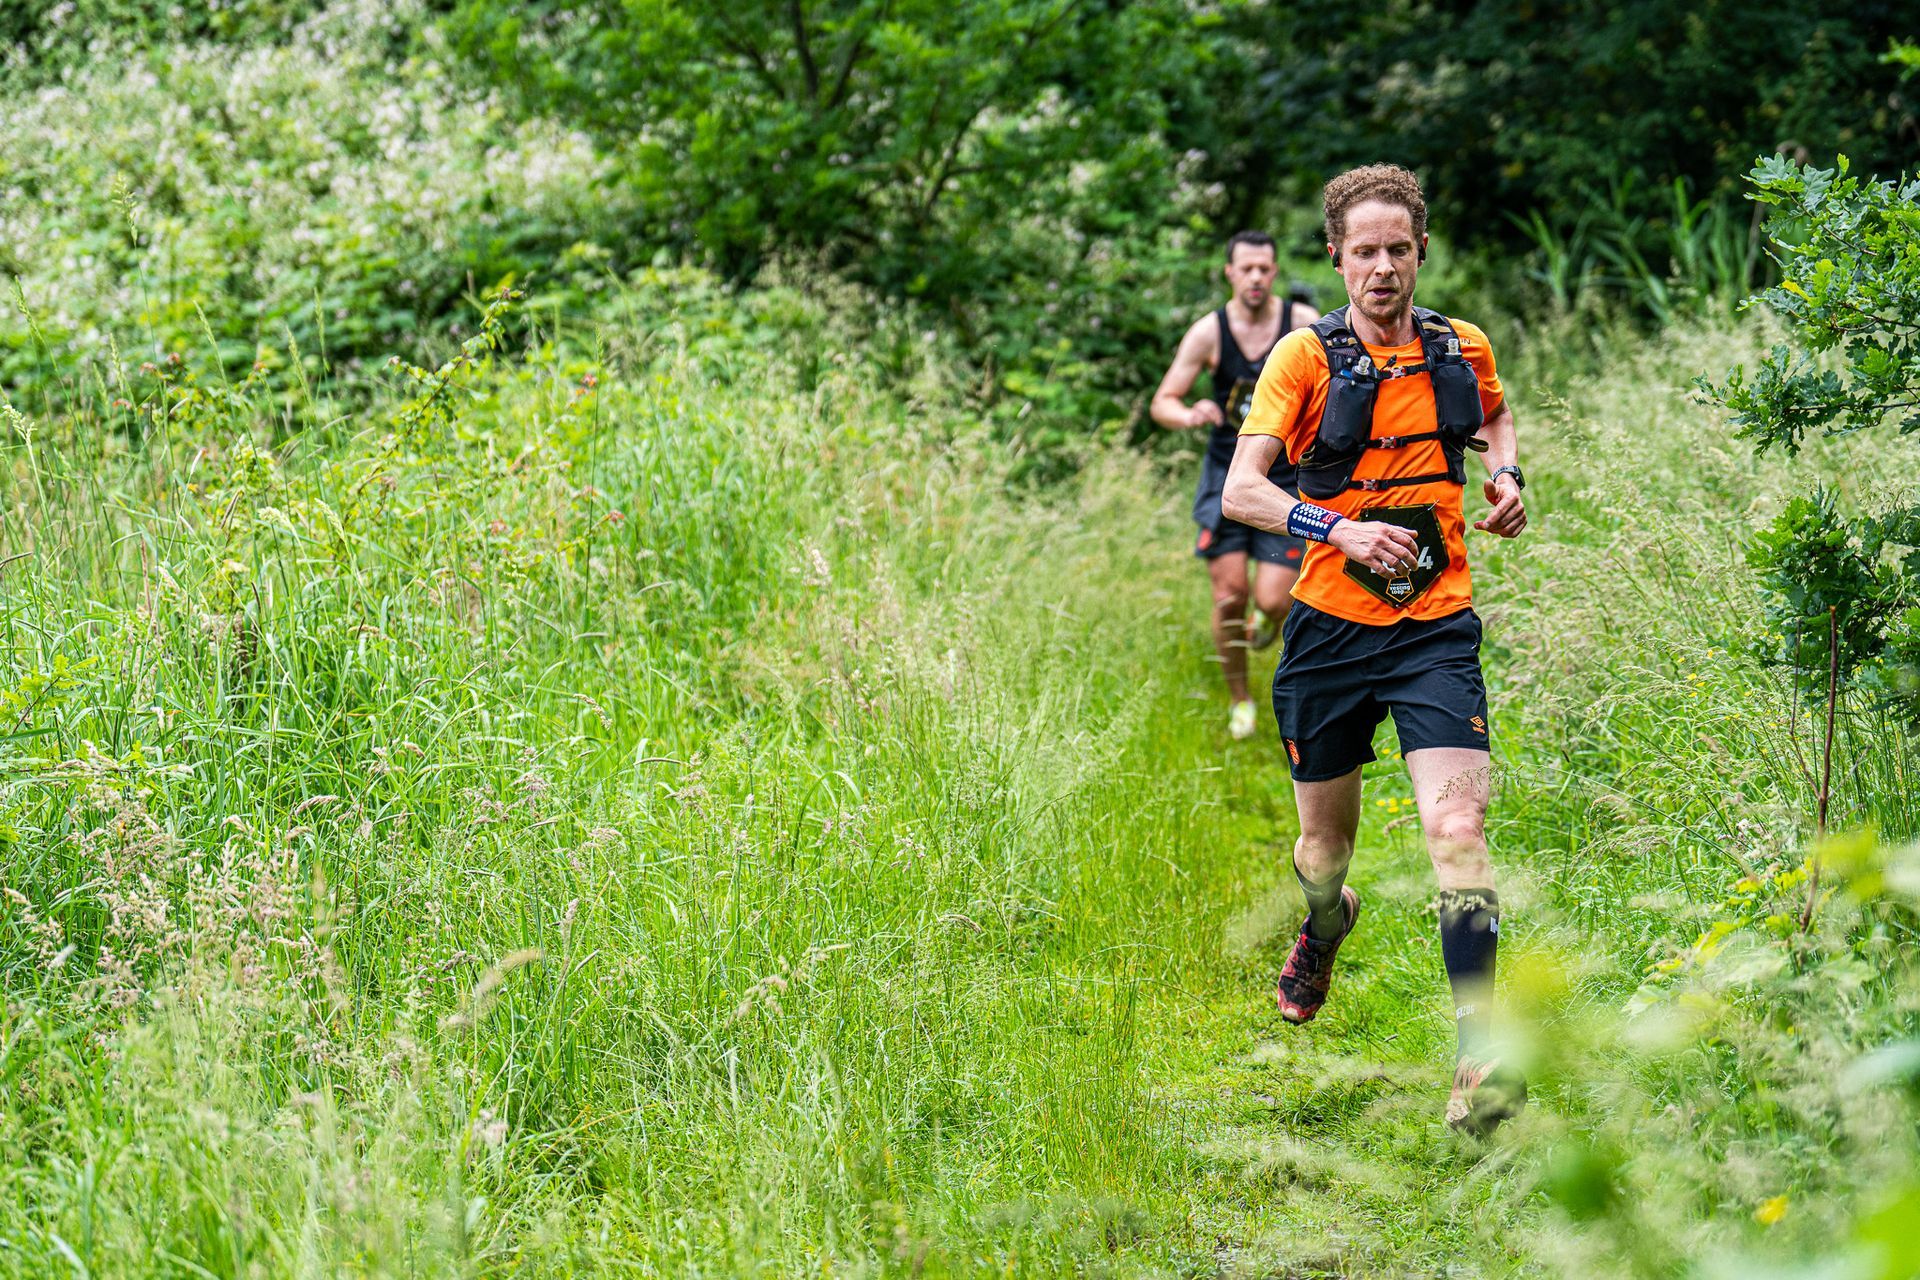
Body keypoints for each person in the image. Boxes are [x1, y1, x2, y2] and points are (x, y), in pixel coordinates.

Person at [1221, 164, 1529, 1135]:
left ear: (1421, 251)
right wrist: (1338, 528)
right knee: (1325, 850)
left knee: (1457, 835)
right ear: (1338, 258)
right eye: (1365, 251)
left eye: (1400, 249)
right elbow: (1243, 489)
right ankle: (1325, 921)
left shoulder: (1458, 345)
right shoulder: (1305, 360)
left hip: (1436, 626)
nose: (1384, 268)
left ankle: (1479, 1052)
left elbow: (1494, 415)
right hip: (1328, 632)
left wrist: (1509, 474)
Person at [1151, 232, 1320, 740]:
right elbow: (1164, 400)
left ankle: (1264, 625)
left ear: (1274, 271)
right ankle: (1240, 699)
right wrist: (1188, 414)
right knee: (1229, 596)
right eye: (1246, 269)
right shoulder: (1209, 333)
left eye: (1265, 269)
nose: (1256, 278)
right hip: (1226, 474)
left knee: (1273, 599)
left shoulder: (1300, 325)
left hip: (1285, 480)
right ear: (1229, 272)